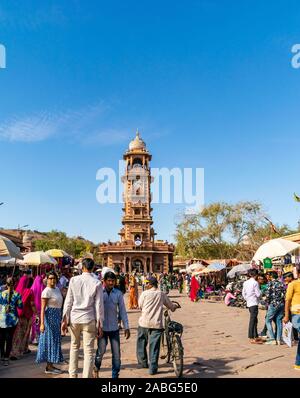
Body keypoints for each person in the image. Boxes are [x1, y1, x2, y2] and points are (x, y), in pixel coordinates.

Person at [61, 258, 104, 378]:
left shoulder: (74, 280)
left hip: (74, 318)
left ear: (82, 267)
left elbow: (68, 301)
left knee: (74, 347)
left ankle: (72, 375)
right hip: (89, 319)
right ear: (93, 267)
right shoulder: (97, 283)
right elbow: (99, 305)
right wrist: (100, 324)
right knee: (89, 351)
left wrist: (65, 319)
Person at [136, 276, 179, 375]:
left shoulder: (144, 294)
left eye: (147, 283)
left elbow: (140, 306)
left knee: (141, 343)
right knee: (154, 347)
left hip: (144, 323)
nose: (146, 285)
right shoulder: (161, 294)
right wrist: (175, 307)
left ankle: (143, 363)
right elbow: (171, 306)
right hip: (156, 324)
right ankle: (153, 368)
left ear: (150, 284)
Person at [94, 272, 130, 378]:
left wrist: (126, 327)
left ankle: (115, 376)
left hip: (114, 328)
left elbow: (122, 310)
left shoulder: (118, 293)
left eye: (113, 281)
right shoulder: (99, 293)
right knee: (101, 351)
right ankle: (96, 368)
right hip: (102, 328)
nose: (111, 283)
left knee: (117, 355)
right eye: (109, 281)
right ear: (104, 281)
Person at [36, 271, 64, 374]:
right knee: (50, 342)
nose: (52, 280)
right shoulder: (46, 291)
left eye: (54, 278)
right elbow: (43, 309)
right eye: (50, 278)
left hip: (57, 317)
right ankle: (49, 367)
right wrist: (42, 323)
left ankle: (51, 365)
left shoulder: (56, 289)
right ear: (47, 280)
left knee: (55, 341)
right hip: (49, 318)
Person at [10, 275, 36, 359]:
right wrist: (36, 313)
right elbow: (32, 304)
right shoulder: (29, 291)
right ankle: (17, 353)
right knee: (24, 334)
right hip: (26, 316)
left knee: (16, 334)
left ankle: (15, 351)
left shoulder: (16, 291)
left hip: (16, 315)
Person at [0, 277, 23, 366]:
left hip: (1, 319)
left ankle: (2, 355)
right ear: (15, 284)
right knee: (9, 339)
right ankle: (6, 358)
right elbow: (20, 306)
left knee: (1, 339)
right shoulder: (17, 295)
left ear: (6, 284)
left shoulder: (1, 294)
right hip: (12, 320)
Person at [283, 264, 300, 370]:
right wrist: (286, 315)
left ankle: (298, 363)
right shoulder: (293, 284)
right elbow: (287, 300)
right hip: (297, 314)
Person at [264, 271, 285, 345]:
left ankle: (272, 338)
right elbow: (284, 294)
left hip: (273, 304)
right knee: (279, 321)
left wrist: (266, 302)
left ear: (271, 276)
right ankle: (279, 339)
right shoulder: (282, 283)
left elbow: (267, 296)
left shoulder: (270, 284)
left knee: (267, 320)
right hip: (281, 304)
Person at [242, 269, 262, 344]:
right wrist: (261, 293)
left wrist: (247, 299)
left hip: (249, 302)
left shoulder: (246, 282)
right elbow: (258, 294)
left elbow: (243, 293)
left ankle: (255, 335)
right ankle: (251, 336)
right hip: (254, 302)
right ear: (256, 275)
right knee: (253, 320)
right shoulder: (255, 283)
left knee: (254, 319)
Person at [30, 275, 45, 345]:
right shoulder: (42, 287)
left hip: (34, 309)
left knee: (35, 323)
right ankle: (37, 338)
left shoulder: (32, 287)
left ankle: (34, 338)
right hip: (40, 309)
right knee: (38, 323)